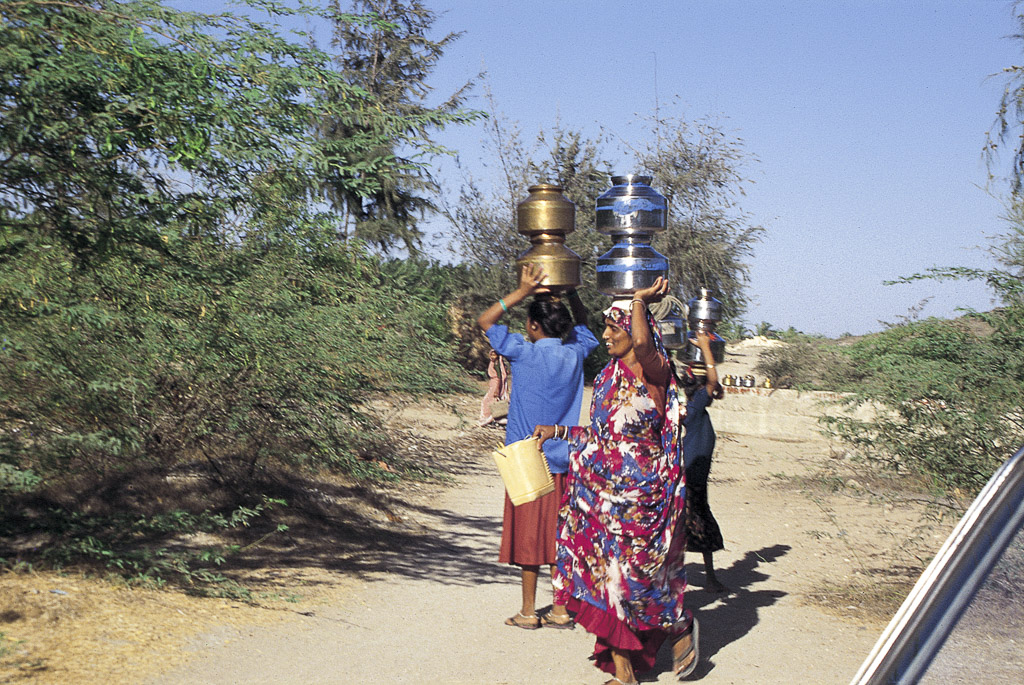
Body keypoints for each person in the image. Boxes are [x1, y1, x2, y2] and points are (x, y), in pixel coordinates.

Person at [535, 277, 698, 685]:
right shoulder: (607, 378)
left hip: (642, 498)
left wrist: (640, 300)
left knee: (638, 579)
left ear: (635, 329)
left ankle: (679, 625)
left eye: (614, 327)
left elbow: (644, 346)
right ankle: (623, 673)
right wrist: (557, 432)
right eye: (607, 326)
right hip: (596, 498)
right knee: (604, 582)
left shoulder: (654, 373)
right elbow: (602, 436)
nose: (605, 334)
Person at [477, 263, 599, 630]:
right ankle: (560, 609)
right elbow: (585, 325)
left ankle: (529, 611)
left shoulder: (523, 352)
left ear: (532, 326)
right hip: (562, 455)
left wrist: (524, 291)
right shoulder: (575, 354)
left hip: (525, 458)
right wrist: (571, 291)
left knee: (529, 536)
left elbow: (486, 320)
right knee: (559, 534)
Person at [681, 332, 727, 593]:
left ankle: (707, 576)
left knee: (691, 521)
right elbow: (712, 380)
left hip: (693, 470)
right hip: (693, 473)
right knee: (696, 520)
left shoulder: (695, 404)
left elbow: (713, 385)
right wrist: (706, 348)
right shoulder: (697, 404)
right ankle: (708, 577)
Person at [479, 349, 509, 426]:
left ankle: (488, 418)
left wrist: (497, 389)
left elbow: (499, 377)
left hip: (496, 384)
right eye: (491, 355)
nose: (492, 357)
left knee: (488, 401)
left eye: (494, 355)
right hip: (494, 383)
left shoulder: (496, 364)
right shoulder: (494, 363)